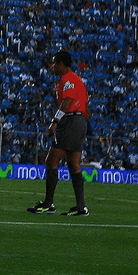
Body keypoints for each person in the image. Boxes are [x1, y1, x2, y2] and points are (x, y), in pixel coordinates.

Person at [27, 50, 90, 217]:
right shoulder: (77, 79)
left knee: (52, 159)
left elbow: (67, 101)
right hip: (79, 121)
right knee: (74, 164)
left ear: (61, 64)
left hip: (70, 121)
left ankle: (48, 203)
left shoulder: (68, 79)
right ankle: (81, 207)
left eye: (55, 63)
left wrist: (55, 121)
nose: (53, 66)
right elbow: (84, 102)